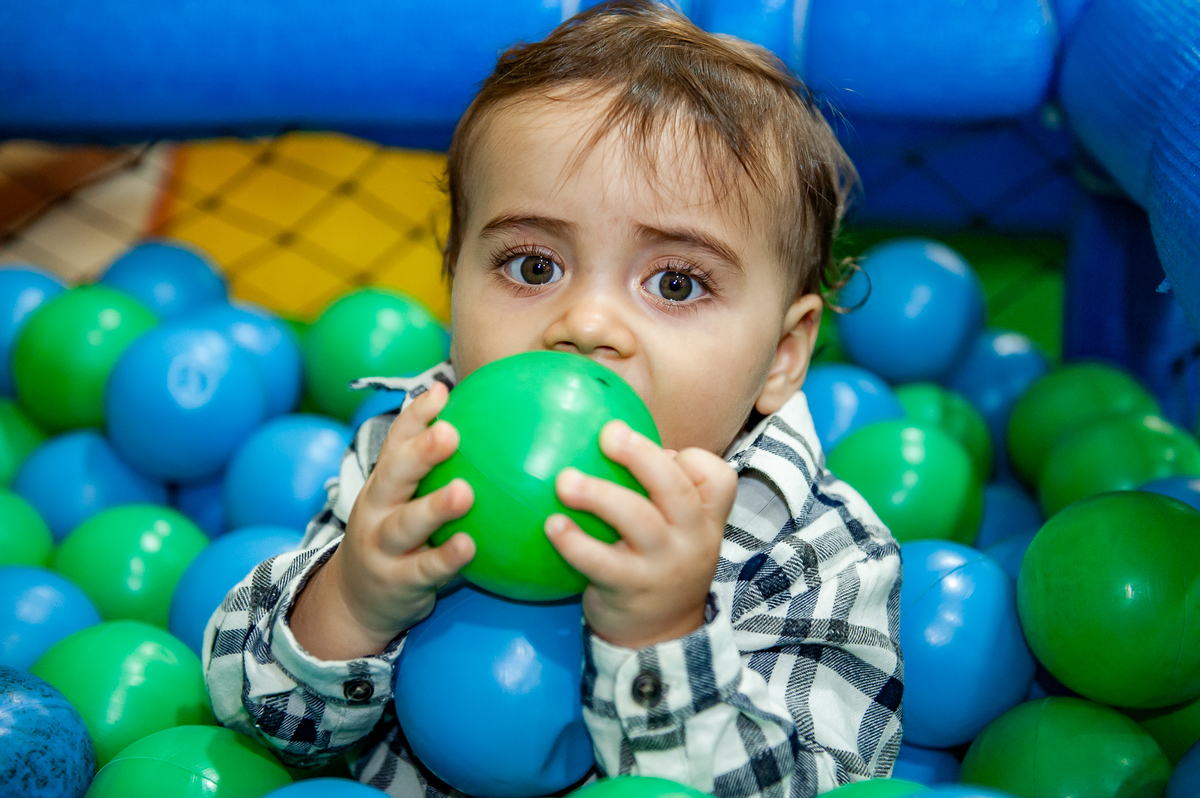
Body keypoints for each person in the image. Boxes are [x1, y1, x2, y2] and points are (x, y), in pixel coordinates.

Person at [203, 2, 903, 796]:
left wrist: (660, 639)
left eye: (675, 282)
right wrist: (352, 602)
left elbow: (824, 782)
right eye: (533, 267)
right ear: (453, 285)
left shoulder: (816, 547)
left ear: (781, 356)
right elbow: (258, 721)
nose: (587, 324)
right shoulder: (414, 461)